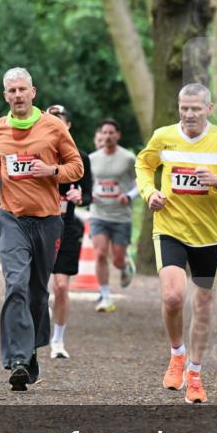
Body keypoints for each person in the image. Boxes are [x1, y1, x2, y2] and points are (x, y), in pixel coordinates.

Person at [135, 83, 217, 403]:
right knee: (173, 297)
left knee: (203, 304)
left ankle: (196, 373)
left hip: (207, 237)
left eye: (195, 109)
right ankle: (177, 355)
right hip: (170, 228)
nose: (188, 114)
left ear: (209, 110)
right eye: (184, 108)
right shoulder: (163, 136)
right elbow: (143, 166)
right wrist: (150, 193)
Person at [0, 68, 83, 391]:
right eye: (11, 90)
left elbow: (76, 167)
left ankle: (30, 353)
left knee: (38, 293)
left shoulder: (53, 127)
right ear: (5, 96)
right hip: (11, 218)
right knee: (16, 286)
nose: (17, 95)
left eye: (22, 89)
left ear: (33, 92)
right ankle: (17, 359)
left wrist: (51, 170)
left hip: (47, 220)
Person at [46, 104, 93, 359]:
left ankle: (58, 341)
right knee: (36, 287)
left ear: (68, 125)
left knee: (61, 287)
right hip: (38, 227)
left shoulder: (81, 157)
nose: (55, 124)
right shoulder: (36, 153)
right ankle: (34, 336)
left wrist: (80, 197)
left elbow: (89, 194)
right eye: (50, 119)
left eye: (59, 120)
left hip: (67, 227)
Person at [88, 118, 138, 312]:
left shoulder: (128, 158)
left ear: (118, 135)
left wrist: (129, 196)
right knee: (100, 254)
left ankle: (125, 264)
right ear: (100, 135)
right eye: (104, 133)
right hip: (98, 214)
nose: (107, 136)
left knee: (116, 260)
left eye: (111, 132)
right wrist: (89, 195)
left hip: (121, 216)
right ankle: (105, 296)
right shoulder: (92, 158)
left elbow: (141, 183)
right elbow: (88, 183)